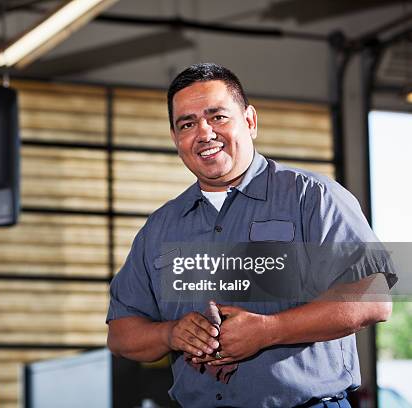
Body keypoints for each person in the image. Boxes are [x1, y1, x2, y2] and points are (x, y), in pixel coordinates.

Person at [106, 63, 395, 408]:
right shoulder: (161, 228)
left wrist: (269, 330)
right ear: (175, 139)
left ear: (250, 121)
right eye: (187, 123)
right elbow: (121, 333)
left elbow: (374, 299)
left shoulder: (311, 198)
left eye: (218, 117)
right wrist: (171, 334)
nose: (204, 133)